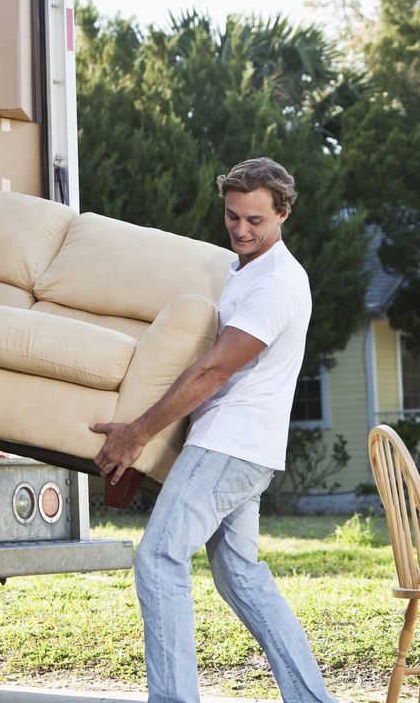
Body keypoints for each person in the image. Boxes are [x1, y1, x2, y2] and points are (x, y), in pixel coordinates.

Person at [91, 158, 335, 702]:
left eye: (256, 221)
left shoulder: (277, 285)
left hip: (228, 445)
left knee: (159, 558)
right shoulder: (244, 269)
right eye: (232, 217)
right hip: (247, 450)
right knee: (240, 577)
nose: (242, 231)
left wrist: (136, 433)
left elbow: (213, 371)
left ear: (283, 214)